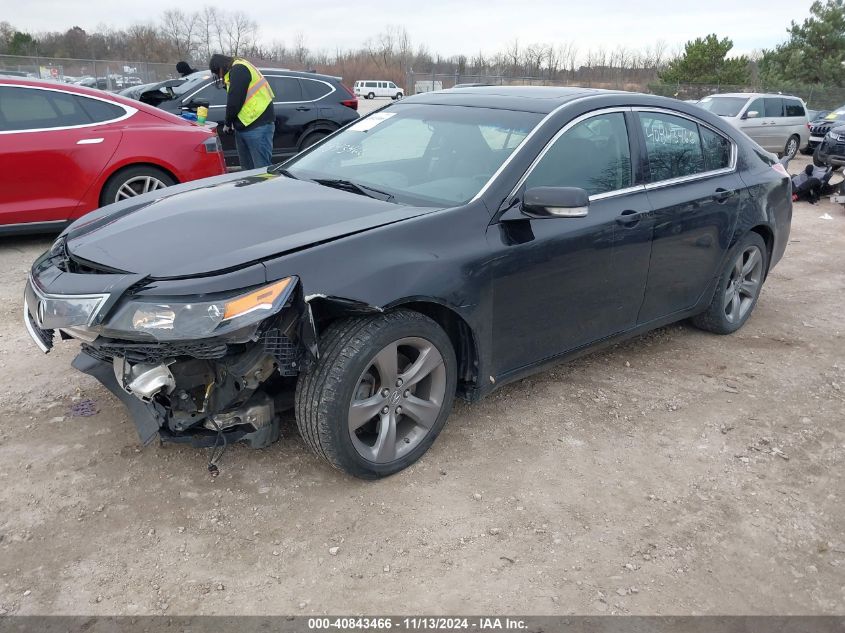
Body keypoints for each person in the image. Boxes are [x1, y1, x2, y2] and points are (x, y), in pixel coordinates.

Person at [208, 53, 275, 170]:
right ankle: (251, 188)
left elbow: (234, 101)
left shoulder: (239, 69)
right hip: (246, 125)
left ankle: (265, 189)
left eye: (217, 72)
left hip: (258, 124)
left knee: (261, 169)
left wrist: (227, 123)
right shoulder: (237, 69)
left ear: (220, 67)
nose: (219, 76)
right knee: (248, 170)